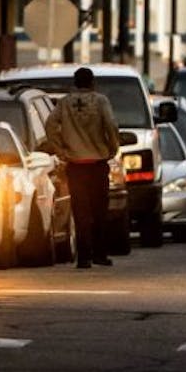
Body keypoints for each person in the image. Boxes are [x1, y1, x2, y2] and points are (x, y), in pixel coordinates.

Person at [44, 67, 121, 269]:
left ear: (75, 83)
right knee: (99, 211)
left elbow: (51, 124)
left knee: (80, 211)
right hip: (97, 164)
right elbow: (111, 125)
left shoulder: (65, 102)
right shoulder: (100, 101)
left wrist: (61, 150)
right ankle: (100, 254)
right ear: (92, 82)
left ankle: (84, 257)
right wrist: (113, 148)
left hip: (76, 165)